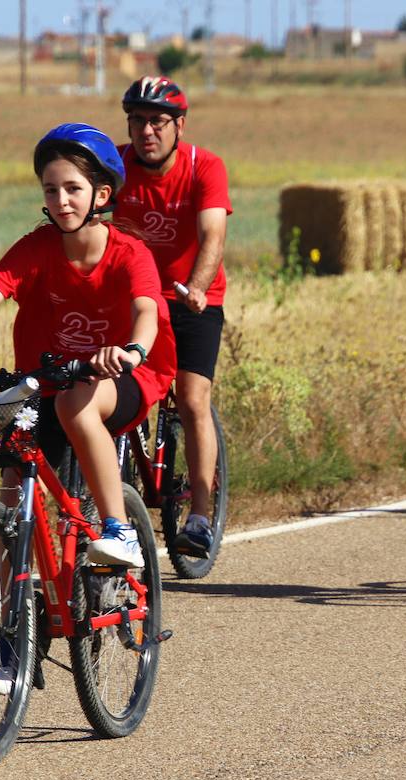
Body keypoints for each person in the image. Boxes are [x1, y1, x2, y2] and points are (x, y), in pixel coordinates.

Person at [0, 123, 177, 569]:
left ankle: (118, 528)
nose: (61, 201)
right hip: (45, 381)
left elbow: (146, 310)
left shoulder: (129, 253)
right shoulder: (36, 248)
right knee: (10, 485)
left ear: (101, 195)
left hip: (123, 376)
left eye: (72, 188)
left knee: (75, 404)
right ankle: (14, 627)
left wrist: (131, 351)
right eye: (51, 189)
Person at [113, 76, 232, 558]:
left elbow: (212, 237)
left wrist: (198, 288)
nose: (147, 132)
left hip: (191, 299)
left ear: (179, 125)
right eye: (138, 121)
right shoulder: (115, 165)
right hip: (135, 299)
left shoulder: (206, 166)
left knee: (190, 396)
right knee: (112, 387)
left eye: (158, 122)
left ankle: (200, 515)